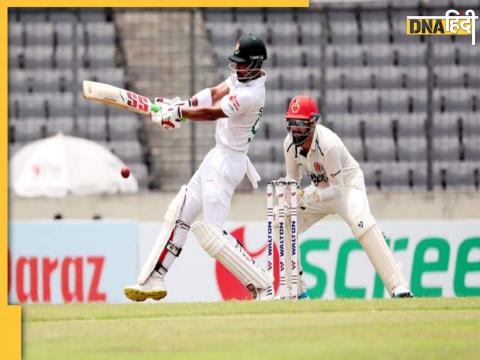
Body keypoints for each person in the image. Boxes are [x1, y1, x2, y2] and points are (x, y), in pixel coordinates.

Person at [124, 33, 274, 302]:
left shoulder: (252, 94)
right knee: (180, 210)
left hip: (229, 161)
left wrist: (179, 113)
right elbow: (213, 93)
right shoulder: (242, 79)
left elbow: (213, 111)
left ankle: (263, 285)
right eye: (236, 63)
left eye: (242, 64)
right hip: (217, 156)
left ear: (255, 64)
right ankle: (153, 277)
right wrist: (183, 104)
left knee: (212, 234)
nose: (237, 68)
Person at [278, 94, 412, 298]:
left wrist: (310, 196)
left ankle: (398, 287)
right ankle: (297, 292)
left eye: (301, 124)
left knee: (362, 224)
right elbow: (293, 180)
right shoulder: (289, 144)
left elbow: (337, 190)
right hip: (320, 190)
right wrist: (288, 190)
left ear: (313, 123)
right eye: (292, 123)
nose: (295, 129)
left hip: (347, 187)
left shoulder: (328, 144)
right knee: (284, 219)